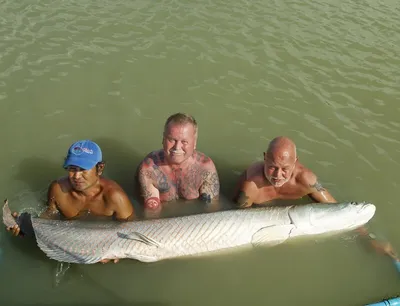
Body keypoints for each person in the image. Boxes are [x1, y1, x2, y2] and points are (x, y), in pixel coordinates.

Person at [232, 136, 398, 261]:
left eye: (285, 169)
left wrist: (368, 239)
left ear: (295, 162)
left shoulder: (307, 181)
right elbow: (236, 219)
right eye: (272, 167)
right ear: (264, 158)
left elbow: (337, 209)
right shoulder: (252, 184)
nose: (277, 175)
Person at [6, 139, 135, 263]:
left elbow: (131, 232)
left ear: (100, 168)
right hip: (70, 241)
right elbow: (50, 217)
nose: (76, 176)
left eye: (83, 169)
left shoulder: (115, 198)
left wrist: (116, 253)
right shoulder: (58, 190)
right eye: (72, 169)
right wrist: (27, 227)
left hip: (102, 242)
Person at [136, 113, 220, 218]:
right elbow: (152, 213)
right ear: (163, 139)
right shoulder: (149, 169)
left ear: (194, 143)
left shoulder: (205, 168)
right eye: (171, 140)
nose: (177, 147)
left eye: (184, 142)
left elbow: (210, 210)